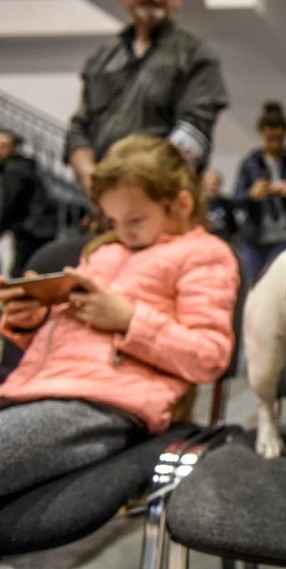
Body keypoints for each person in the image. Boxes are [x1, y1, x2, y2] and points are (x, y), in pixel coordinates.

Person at [0, 134, 239, 499]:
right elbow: (76, 335)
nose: (123, 232)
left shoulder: (205, 254)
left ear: (181, 204)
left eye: (135, 220)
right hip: (35, 390)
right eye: (113, 220)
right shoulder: (105, 251)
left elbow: (209, 357)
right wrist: (33, 320)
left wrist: (130, 320)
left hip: (107, 405)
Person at [64, 0, 228, 195]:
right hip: (105, 206)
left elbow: (195, 129)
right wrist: (91, 178)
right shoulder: (101, 60)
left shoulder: (196, 56)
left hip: (165, 201)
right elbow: (78, 129)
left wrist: (137, 188)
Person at [233, 101, 286, 283]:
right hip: (256, 240)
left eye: (278, 138)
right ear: (262, 133)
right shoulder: (250, 164)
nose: (274, 143)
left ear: (285, 134)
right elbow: (236, 200)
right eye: (270, 138)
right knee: (255, 286)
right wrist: (251, 195)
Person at [0, 129, 57, 277]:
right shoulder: (24, 167)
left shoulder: (15, 170)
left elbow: (11, 202)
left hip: (30, 229)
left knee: (19, 273)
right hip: (39, 227)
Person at [202, 169, 236, 243]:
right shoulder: (198, 203)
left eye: (215, 184)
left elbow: (232, 226)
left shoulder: (227, 203)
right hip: (204, 242)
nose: (212, 187)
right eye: (209, 184)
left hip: (223, 241)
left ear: (220, 185)